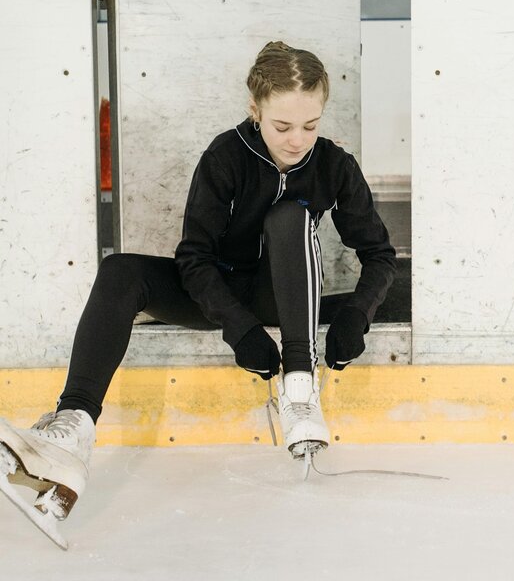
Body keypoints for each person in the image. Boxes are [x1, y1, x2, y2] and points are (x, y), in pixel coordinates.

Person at [0, 41, 397, 539]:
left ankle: (299, 384)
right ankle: (73, 430)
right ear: (255, 111)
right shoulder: (226, 155)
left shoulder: (335, 165)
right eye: (282, 126)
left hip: (289, 293)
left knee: (290, 215)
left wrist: (357, 314)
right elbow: (193, 257)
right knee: (121, 271)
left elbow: (380, 255)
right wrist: (239, 328)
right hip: (219, 296)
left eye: (310, 126)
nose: (298, 141)